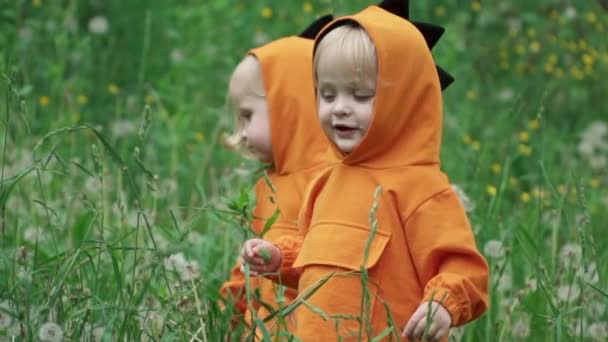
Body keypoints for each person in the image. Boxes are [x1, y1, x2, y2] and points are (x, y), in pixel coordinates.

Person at [241, 4, 489, 341]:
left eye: (361, 95)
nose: (340, 106)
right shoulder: (327, 179)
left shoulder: (420, 188)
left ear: (405, 101)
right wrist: (279, 259)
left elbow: (464, 269)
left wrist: (443, 304)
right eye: (327, 94)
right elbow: (320, 258)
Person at [219, 15, 334, 337]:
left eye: (246, 116)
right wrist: (230, 312)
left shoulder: (333, 182)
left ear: (289, 103)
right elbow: (247, 268)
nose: (238, 134)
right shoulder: (266, 186)